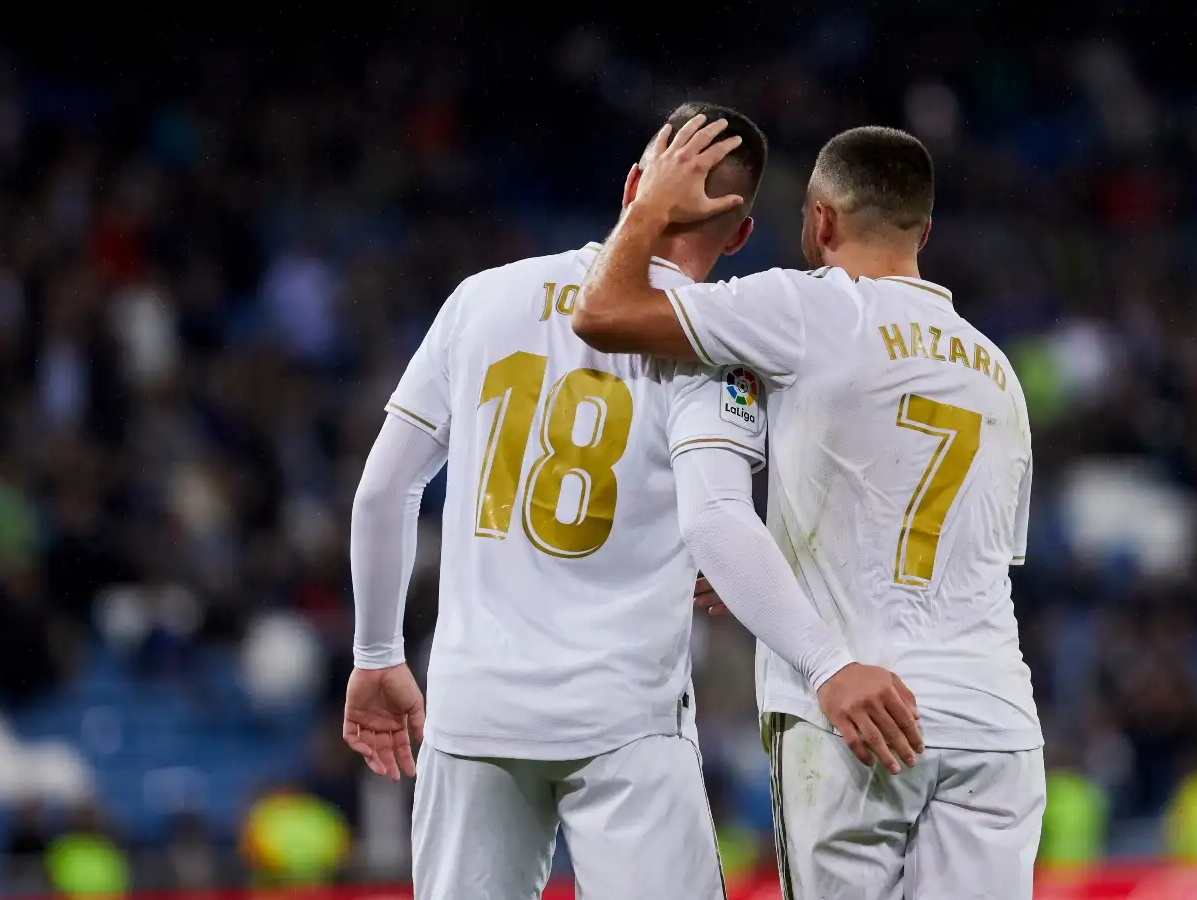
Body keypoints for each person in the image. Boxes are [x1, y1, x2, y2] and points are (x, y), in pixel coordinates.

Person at [341, 102, 922, 900]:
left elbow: (383, 490)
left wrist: (377, 655)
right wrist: (822, 658)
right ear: (742, 235)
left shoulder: (483, 299)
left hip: (474, 709)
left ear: (632, 187)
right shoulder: (714, 345)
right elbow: (715, 517)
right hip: (625, 721)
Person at [576, 118, 1043, 899]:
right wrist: (778, 570)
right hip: (995, 722)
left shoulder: (811, 307)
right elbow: (959, 551)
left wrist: (649, 207)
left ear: (820, 220)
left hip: (855, 713)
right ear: (924, 229)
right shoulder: (996, 370)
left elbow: (603, 313)